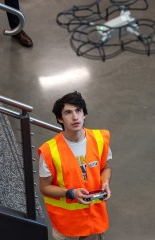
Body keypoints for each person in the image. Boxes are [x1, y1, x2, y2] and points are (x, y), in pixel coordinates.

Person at [38, 91, 112, 240]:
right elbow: (44, 187)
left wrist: (105, 182)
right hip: (65, 225)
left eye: (78, 111)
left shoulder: (99, 140)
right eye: (68, 113)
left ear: (84, 114)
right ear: (60, 119)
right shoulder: (49, 151)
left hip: (93, 218)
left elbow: (105, 168)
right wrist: (71, 193)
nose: (75, 117)